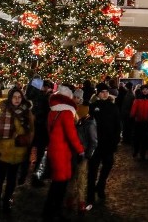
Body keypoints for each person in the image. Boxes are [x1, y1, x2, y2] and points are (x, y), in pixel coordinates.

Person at [42, 85, 85, 222]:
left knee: (56, 183)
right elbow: (71, 135)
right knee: (60, 185)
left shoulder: (52, 111)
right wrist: (80, 150)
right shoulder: (66, 113)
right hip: (63, 152)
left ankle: (50, 210)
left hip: (54, 149)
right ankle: (54, 212)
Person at [0, 87, 33, 215]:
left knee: (12, 180)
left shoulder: (27, 113)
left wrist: (28, 143)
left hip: (19, 152)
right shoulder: (2, 112)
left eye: (19, 97)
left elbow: (31, 131)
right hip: (2, 151)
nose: (17, 100)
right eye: (14, 97)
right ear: (10, 98)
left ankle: (7, 201)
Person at [87, 82, 120, 205]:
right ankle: (90, 193)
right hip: (96, 144)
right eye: (102, 92)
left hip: (108, 143)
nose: (105, 94)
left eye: (106, 91)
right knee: (93, 169)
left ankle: (100, 186)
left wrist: (116, 140)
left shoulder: (113, 107)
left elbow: (118, 124)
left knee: (107, 165)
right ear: (98, 94)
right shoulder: (93, 106)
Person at [68, 90, 97, 214]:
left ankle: (80, 200)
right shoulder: (72, 113)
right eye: (74, 97)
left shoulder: (88, 121)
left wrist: (87, 155)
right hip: (72, 152)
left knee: (81, 177)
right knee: (71, 176)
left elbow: (93, 140)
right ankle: (70, 198)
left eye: (78, 98)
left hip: (82, 153)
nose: (76, 99)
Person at [27, 79, 53, 187]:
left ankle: (25, 176)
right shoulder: (43, 98)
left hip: (32, 129)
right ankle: (36, 177)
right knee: (40, 154)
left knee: (29, 152)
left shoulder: (31, 97)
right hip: (41, 129)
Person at [129, 84, 148, 160]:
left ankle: (142, 153)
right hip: (138, 121)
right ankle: (136, 151)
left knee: (145, 139)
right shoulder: (137, 98)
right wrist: (132, 116)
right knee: (137, 138)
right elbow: (134, 108)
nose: (145, 91)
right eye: (143, 89)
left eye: (146, 89)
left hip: (147, 122)